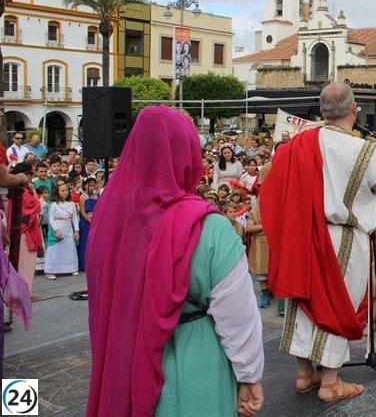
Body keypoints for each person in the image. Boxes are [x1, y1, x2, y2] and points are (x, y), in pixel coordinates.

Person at [87, 106, 264, 416]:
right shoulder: (209, 227)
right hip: (193, 362)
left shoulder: (108, 218)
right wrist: (250, 376)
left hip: (123, 357)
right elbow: (238, 315)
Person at [262, 82, 376, 402]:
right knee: (337, 305)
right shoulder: (363, 149)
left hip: (303, 232)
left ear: (322, 111)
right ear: (355, 110)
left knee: (303, 301)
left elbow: (269, 181)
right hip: (344, 239)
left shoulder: (298, 142)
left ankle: (305, 374)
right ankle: (330, 382)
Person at [5, 163, 41, 291]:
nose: (31, 177)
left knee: (18, 270)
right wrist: (34, 191)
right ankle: (22, 301)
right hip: (24, 235)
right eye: (29, 174)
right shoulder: (24, 192)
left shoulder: (13, 190)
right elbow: (35, 208)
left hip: (16, 234)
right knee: (24, 272)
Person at [44, 180, 79, 279]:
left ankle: (70, 268)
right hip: (58, 228)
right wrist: (56, 230)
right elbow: (51, 219)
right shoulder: (53, 204)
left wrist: (76, 230)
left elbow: (74, 218)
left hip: (68, 229)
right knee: (54, 250)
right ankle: (50, 271)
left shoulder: (72, 204)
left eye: (66, 190)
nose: (65, 192)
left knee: (69, 249)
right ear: (57, 192)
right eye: (62, 190)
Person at [245, 202, 271, 308]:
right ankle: (265, 294)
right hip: (259, 243)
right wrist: (266, 225)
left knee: (273, 270)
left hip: (273, 242)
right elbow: (249, 228)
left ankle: (273, 291)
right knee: (261, 272)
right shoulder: (253, 212)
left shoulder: (273, 209)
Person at [77, 177, 99, 272]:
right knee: (85, 242)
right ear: (85, 186)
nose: (92, 187)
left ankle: (94, 264)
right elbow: (82, 212)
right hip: (86, 222)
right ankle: (84, 264)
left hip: (96, 220)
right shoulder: (82, 197)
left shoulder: (97, 196)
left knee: (95, 243)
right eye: (90, 185)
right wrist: (90, 220)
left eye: (93, 185)